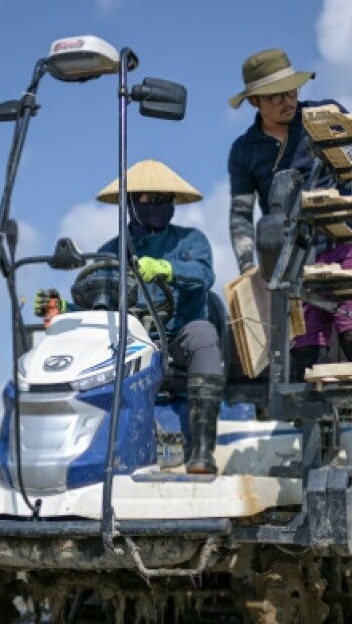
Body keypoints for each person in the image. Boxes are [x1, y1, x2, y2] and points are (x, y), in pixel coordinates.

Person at [227, 48, 352, 479]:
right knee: (305, 354)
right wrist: (251, 267)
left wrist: (341, 147)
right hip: (293, 257)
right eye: (276, 95)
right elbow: (241, 215)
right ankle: (313, 460)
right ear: (255, 103)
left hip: (343, 240)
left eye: (292, 90)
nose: (288, 100)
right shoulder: (244, 152)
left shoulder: (324, 114)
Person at [34, 159, 224, 475]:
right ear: (131, 203)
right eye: (149, 199)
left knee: (204, 333)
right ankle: (84, 454)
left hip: (178, 341)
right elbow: (100, 305)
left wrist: (166, 269)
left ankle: (202, 450)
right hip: (128, 343)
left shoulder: (192, 240)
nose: (158, 206)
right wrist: (64, 310)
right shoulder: (110, 251)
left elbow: (204, 276)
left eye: (165, 200)